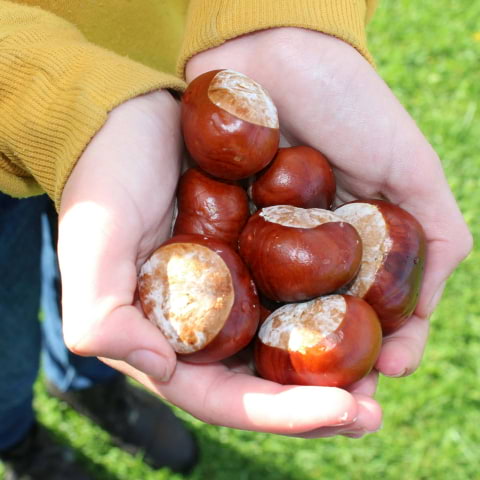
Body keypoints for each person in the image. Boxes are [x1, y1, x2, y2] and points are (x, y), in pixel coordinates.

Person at [0, 1, 472, 479]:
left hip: (160, 76)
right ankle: (15, 436)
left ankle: (92, 386)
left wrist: (277, 20)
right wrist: (40, 94)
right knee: (4, 318)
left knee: (113, 299)